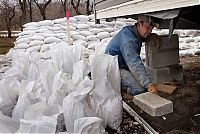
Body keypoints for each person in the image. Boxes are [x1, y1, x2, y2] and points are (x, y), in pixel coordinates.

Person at [105, 15, 159, 96]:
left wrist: (152, 36)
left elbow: (142, 36)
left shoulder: (133, 31)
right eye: (147, 28)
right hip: (115, 67)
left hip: (125, 64)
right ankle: (121, 88)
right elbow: (134, 64)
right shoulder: (128, 40)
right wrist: (148, 85)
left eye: (151, 29)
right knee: (140, 89)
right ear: (139, 24)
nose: (149, 32)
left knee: (148, 78)